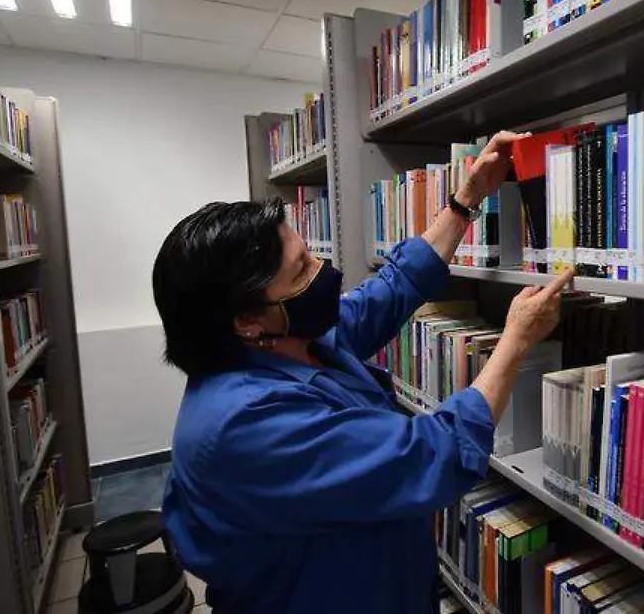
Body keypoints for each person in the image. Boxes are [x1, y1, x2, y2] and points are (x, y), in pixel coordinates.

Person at [153, 131, 575, 614]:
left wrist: (467, 198)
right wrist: (516, 341)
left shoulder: (289, 340)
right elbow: (431, 455)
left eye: (310, 254)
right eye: (300, 271)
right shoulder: (246, 425)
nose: (323, 269)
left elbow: (391, 290)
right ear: (246, 321)